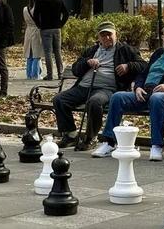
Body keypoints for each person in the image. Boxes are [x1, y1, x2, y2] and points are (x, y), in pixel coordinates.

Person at [53, 21, 147, 150]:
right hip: (84, 87)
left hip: (107, 89)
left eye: (109, 34)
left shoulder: (125, 50)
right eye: (103, 35)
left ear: (116, 35)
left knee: (94, 102)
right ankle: (70, 135)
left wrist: (128, 66)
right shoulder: (92, 50)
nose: (107, 38)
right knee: (59, 99)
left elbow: (143, 66)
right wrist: (87, 62)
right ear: (98, 37)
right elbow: (75, 69)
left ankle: (91, 138)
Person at [92, 23, 164, 161]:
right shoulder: (158, 53)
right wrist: (138, 87)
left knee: (156, 98)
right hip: (146, 92)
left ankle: (157, 145)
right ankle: (109, 142)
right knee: (118, 97)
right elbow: (143, 73)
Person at [33, 0, 69, 80]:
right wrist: (61, 24)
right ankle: (60, 74)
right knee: (57, 51)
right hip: (56, 28)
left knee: (48, 52)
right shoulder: (58, 0)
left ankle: (50, 75)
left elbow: (35, 15)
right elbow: (66, 13)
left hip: (45, 29)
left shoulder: (39, 1)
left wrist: (39, 25)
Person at [23, 0, 44, 80]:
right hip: (36, 31)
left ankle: (29, 75)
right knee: (37, 55)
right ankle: (35, 75)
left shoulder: (25, 9)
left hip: (28, 31)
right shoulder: (38, 9)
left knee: (29, 55)